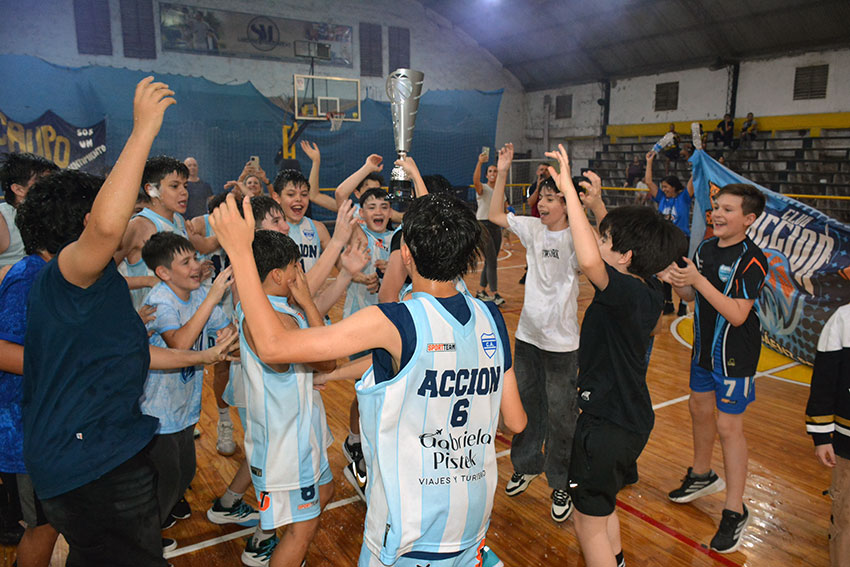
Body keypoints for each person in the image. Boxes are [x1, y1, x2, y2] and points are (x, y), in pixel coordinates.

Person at [210, 191, 527, 567]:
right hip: (471, 518)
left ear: (405, 253)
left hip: (408, 527)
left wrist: (241, 253)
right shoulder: (491, 318)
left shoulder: (393, 320)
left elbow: (274, 346)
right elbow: (516, 421)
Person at [21, 77, 236, 566]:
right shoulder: (67, 273)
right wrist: (143, 130)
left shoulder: (90, 287)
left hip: (95, 456)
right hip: (91, 464)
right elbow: (104, 227)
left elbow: (131, 351)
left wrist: (201, 355)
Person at [544, 145, 686, 567]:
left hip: (607, 425)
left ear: (624, 257)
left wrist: (568, 189)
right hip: (629, 418)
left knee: (587, 523)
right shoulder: (648, 288)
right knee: (603, 508)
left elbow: (591, 259)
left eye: (605, 238)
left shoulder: (622, 293)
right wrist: (596, 207)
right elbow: (614, 244)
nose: (597, 238)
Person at [488, 144, 595, 523]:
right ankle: (527, 463)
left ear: (568, 203)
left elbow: (595, 256)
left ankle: (561, 480)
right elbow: (495, 213)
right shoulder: (533, 229)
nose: (543, 204)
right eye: (542, 198)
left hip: (563, 344)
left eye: (553, 198)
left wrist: (581, 197)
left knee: (563, 415)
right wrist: (502, 170)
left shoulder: (576, 238)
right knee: (529, 406)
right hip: (528, 337)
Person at [665, 183, 767, 554]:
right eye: (716, 207)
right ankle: (702, 474)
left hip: (735, 354)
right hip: (703, 349)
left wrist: (698, 282)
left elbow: (738, 314)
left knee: (728, 425)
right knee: (699, 410)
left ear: (749, 219)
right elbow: (693, 296)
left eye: (728, 209)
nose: (718, 214)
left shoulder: (752, 259)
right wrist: (680, 285)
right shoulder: (706, 248)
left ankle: (734, 509)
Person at [235, 229, 337, 566]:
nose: (301, 275)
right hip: (285, 447)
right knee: (301, 531)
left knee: (325, 491)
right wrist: (308, 301)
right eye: (297, 266)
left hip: (296, 437)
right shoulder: (276, 316)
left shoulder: (256, 305)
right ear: (279, 275)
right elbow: (326, 357)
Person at [140, 233, 233, 537]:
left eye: (195, 257)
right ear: (164, 273)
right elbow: (179, 344)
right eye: (186, 261)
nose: (197, 266)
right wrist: (211, 297)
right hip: (156, 408)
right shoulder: (160, 300)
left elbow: (227, 329)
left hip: (183, 404)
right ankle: (146, 538)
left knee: (185, 471)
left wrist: (228, 335)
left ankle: (160, 514)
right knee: (167, 477)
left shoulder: (196, 295)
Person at [806, 303, 850, 567]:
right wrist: (822, 435)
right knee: (845, 516)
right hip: (847, 445)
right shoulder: (843, 320)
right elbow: (823, 382)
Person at [644, 151, 693, 316]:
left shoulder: (684, 198)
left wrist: (696, 163)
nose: (663, 189)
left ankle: (683, 304)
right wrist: (649, 162)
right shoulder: (662, 199)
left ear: (674, 186)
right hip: (665, 241)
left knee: (681, 272)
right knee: (664, 271)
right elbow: (648, 181)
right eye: (662, 187)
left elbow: (693, 181)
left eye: (666, 186)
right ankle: (668, 302)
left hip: (681, 241)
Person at [0, 153, 58, 268]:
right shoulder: (3, 219)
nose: (52, 188)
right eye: (43, 181)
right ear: (18, 189)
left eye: (53, 181)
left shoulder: (59, 212)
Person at [472, 152, 503, 305]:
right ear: (487, 175)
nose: (493, 173)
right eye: (490, 171)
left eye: (495, 171)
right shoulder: (483, 188)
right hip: (483, 225)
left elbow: (503, 209)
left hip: (496, 225)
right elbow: (475, 181)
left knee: (491, 260)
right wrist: (479, 162)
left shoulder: (500, 192)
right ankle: (495, 293)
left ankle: (481, 290)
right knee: (491, 261)